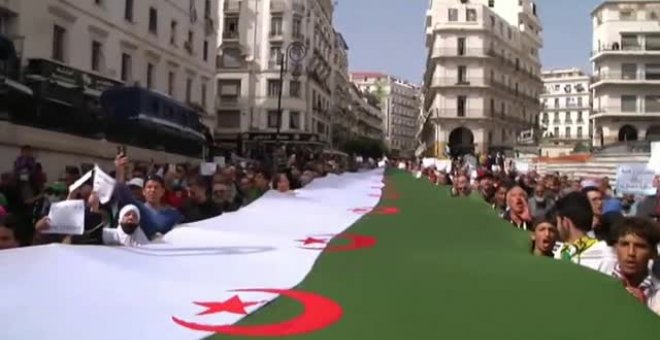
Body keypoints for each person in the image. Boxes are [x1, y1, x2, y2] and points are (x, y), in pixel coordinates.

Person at [606, 217, 659, 314]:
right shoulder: (599, 283)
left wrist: (643, 312)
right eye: (625, 244)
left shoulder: (657, 295)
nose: (631, 253)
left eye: (640, 246)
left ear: (653, 253)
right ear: (614, 248)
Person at [554, 192, 615, 272]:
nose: (557, 228)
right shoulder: (560, 253)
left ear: (565, 222)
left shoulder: (606, 258)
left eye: (558, 222)